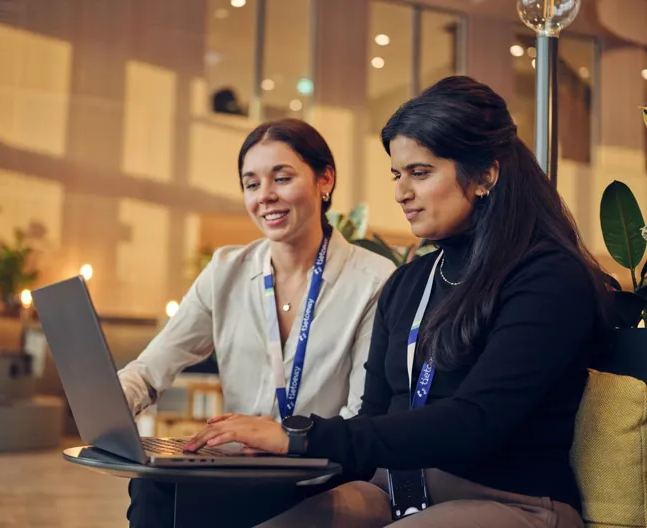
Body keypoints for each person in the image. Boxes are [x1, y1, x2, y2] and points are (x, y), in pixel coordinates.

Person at [186, 76, 612, 527]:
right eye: (397, 174)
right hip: (392, 492)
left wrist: (299, 437)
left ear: (486, 173)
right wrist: (265, 455)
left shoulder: (546, 276)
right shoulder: (408, 283)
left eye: (420, 172)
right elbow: (374, 421)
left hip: (511, 501)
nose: (400, 192)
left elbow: (476, 422)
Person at [118, 117, 396, 527]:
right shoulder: (226, 270)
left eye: (281, 178)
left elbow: (361, 417)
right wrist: (114, 403)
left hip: (321, 469)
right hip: (240, 464)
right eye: (252, 184)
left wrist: (291, 437)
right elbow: (150, 369)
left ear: (325, 181)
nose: (265, 196)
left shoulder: (373, 279)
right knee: (153, 484)